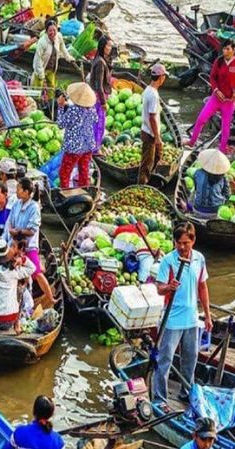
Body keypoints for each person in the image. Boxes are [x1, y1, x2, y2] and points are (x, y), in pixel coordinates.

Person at [153, 222, 212, 410]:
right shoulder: (168, 261)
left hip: (192, 319)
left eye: (185, 243)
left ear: (193, 241)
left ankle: (185, 392)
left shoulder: (199, 259)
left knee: (191, 358)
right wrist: (168, 287)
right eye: (178, 243)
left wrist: (208, 316)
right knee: (165, 359)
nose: (182, 247)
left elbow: (202, 287)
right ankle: (159, 398)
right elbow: (159, 288)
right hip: (172, 320)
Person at [2, 177, 54, 305]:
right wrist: (11, 232)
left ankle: (51, 298)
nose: (17, 192)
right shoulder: (17, 204)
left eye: (19, 189)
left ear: (26, 192)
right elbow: (10, 222)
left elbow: (32, 230)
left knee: (36, 272)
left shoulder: (34, 207)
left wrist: (18, 231)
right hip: (15, 244)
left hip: (28, 246)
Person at [186, 40, 235, 154]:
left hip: (229, 102)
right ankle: (192, 142)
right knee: (201, 119)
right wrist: (216, 90)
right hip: (216, 98)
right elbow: (212, 78)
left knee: (225, 127)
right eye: (224, 49)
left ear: (233, 50)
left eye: (228, 49)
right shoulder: (219, 61)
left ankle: (222, 149)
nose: (225, 51)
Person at [56, 82, 98, 188]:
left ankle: (65, 193)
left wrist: (61, 107)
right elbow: (95, 119)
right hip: (87, 146)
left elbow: (61, 124)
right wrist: (67, 105)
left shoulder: (73, 110)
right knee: (84, 172)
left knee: (64, 173)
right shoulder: (91, 109)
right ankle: (85, 190)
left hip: (74, 147)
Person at [32, 19, 77, 100]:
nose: (52, 33)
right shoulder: (42, 42)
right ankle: (37, 102)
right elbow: (38, 60)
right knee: (38, 88)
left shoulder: (59, 36)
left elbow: (63, 48)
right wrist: (42, 75)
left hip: (52, 68)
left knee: (51, 87)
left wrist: (68, 57)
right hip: (41, 68)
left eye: (54, 30)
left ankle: (51, 102)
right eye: (50, 30)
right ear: (46, 31)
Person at [138, 63, 168, 185]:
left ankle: (149, 179)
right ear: (161, 78)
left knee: (156, 156)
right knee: (147, 164)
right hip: (150, 133)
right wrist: (157, 137)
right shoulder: (154, 95)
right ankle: (141, 185)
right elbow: (152, 117)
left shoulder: (148, 90)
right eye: (164, 77)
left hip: (147, 130)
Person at [89, 35, 112, 155]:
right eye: (108, 46)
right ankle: (94, 149)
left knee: (97, 122)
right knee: (98, 124)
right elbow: (99, 85)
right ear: (103, 46)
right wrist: (103, 102)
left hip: (98, 97)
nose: (110, 48)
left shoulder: (100, 59)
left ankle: (94, 146)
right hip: (98, 98)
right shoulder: (100, 63)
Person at [193, 148, 231, 217]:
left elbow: (196, 189)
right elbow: (227, 195)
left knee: (192, 195)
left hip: (198, 209)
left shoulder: (197, 173)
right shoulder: (223, 177)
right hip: (215, 211)